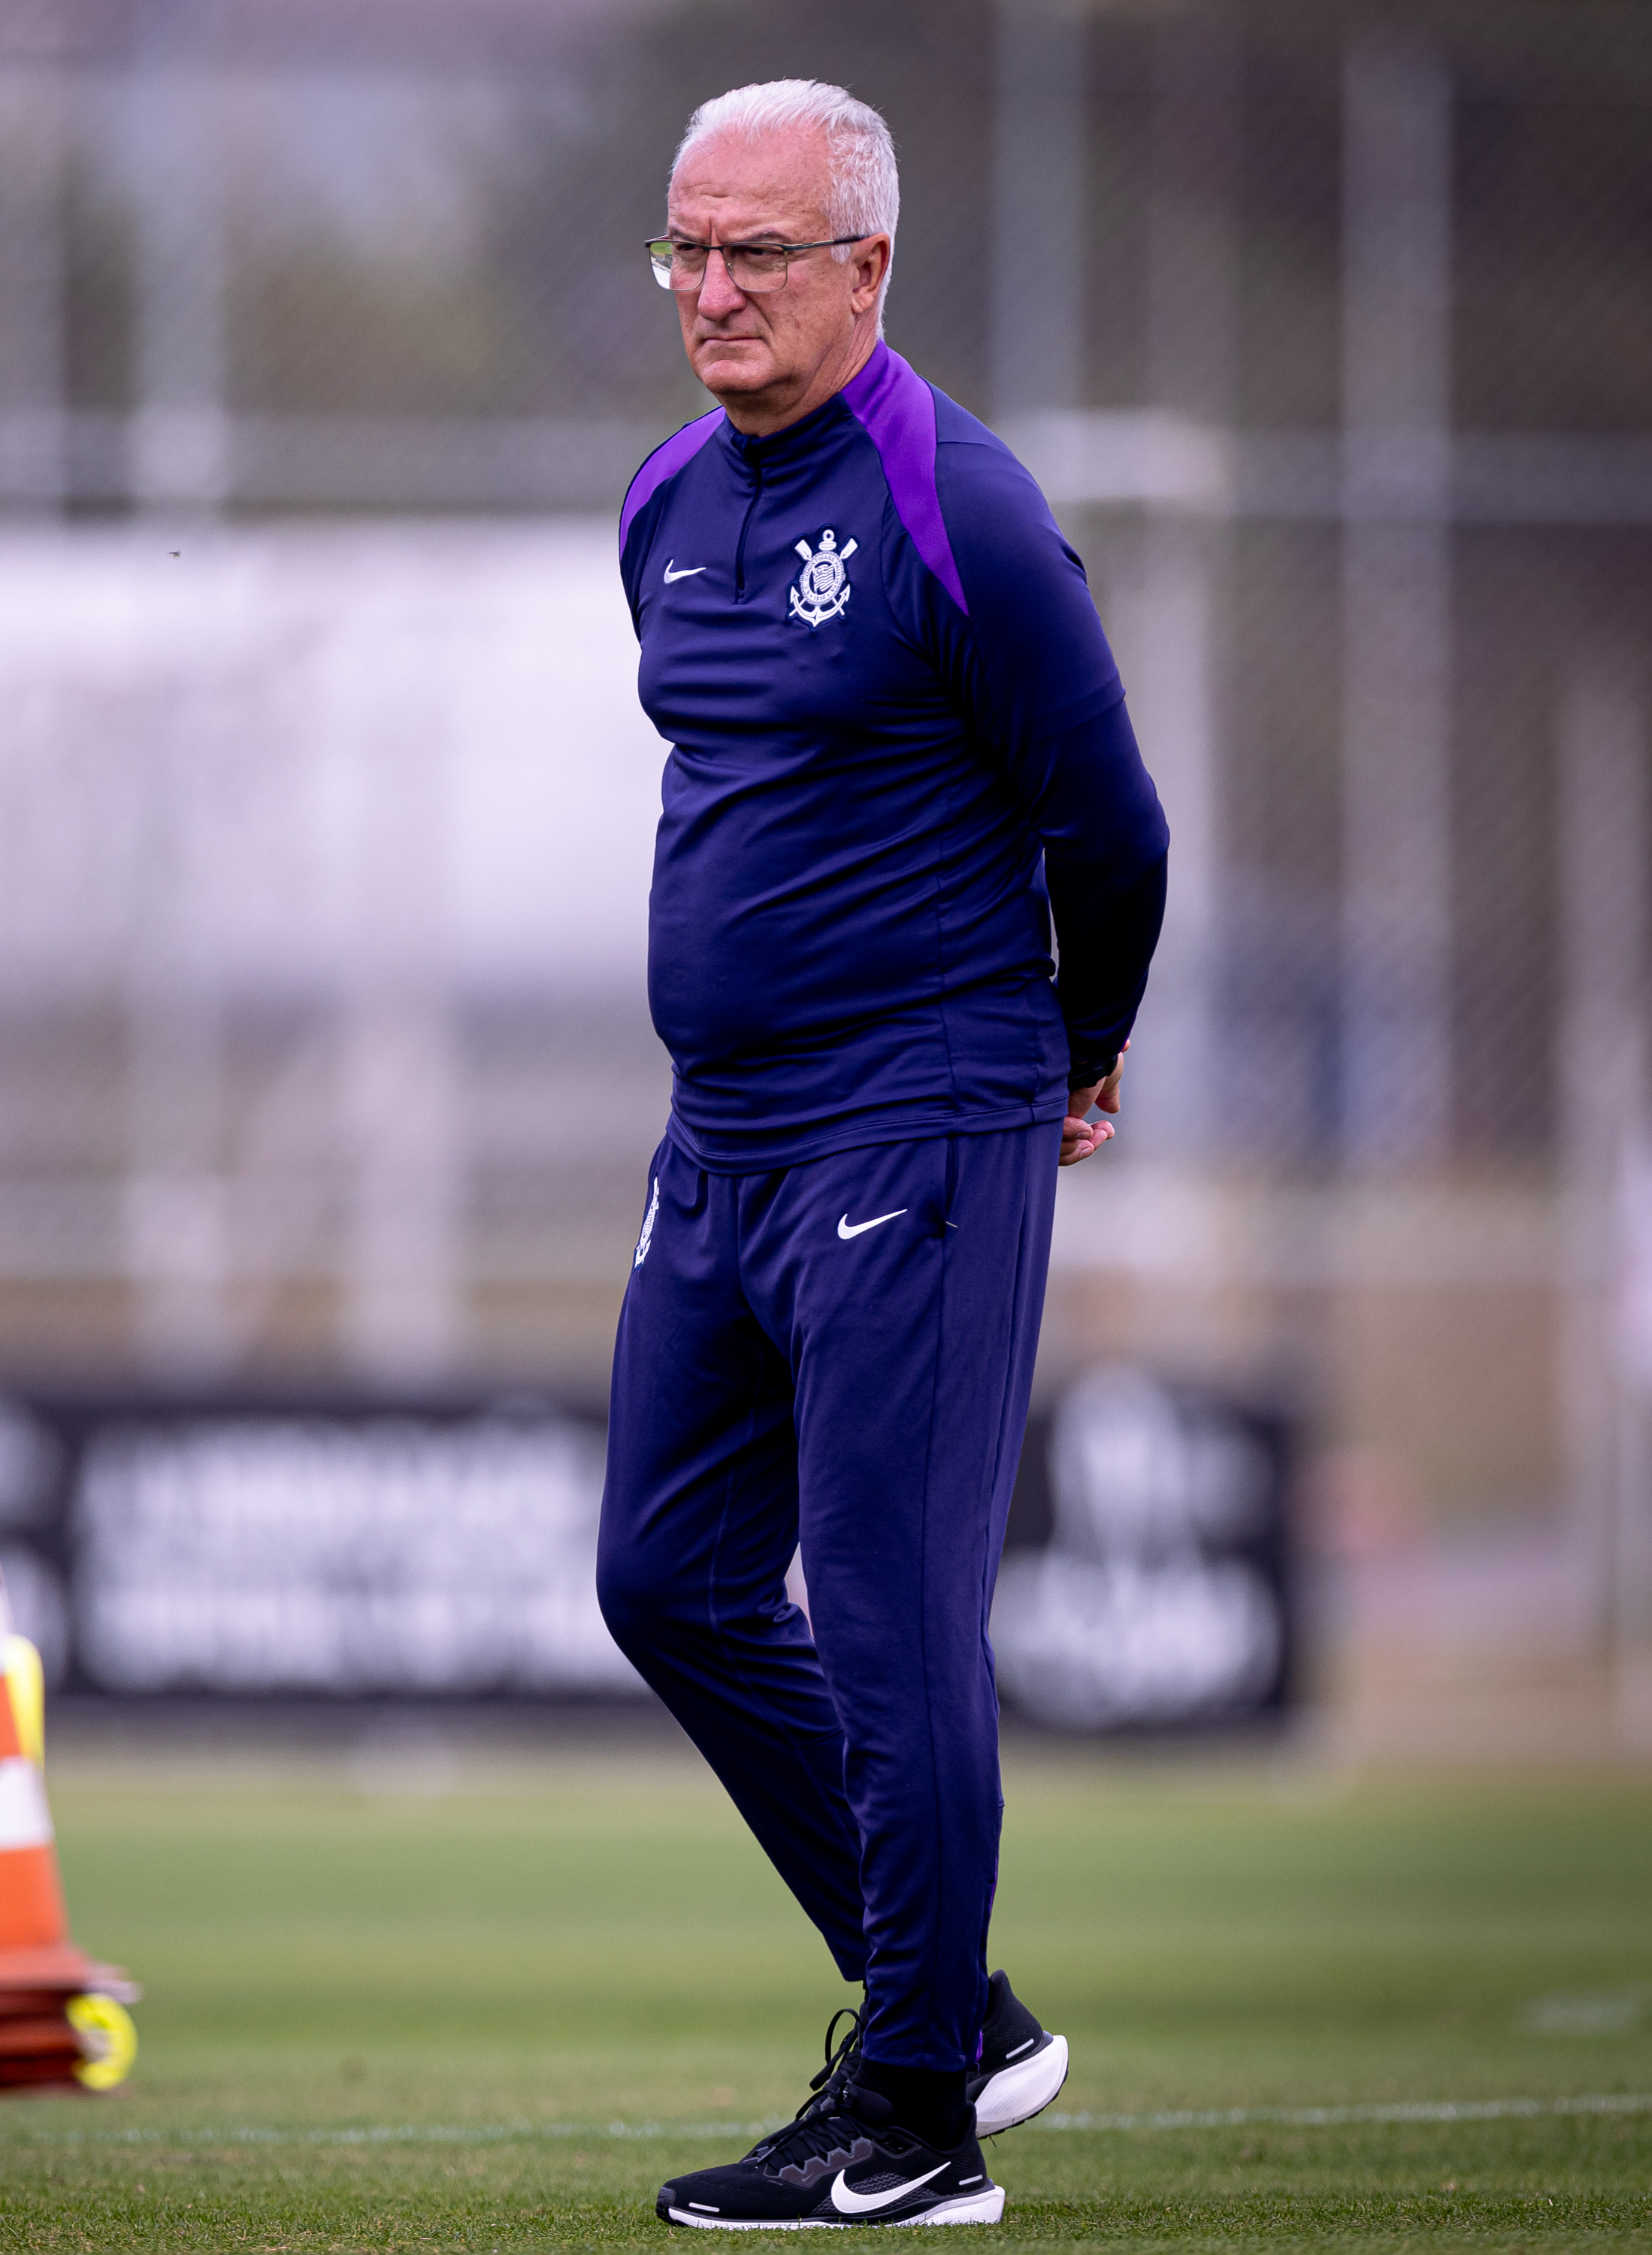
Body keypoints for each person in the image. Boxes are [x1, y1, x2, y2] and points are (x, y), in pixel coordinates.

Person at [595, 79, 1169, 2231]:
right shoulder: (662, 496)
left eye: (756, 252)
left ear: (870, 269)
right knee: (658, 1577)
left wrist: (1077, 1048)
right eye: (682, 250)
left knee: (896, 1617)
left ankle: (915, 2124)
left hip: (920, 1113)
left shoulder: (960, 508)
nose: (712, 292)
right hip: (717, 1140)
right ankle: (961, 2014)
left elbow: (1109, 826)